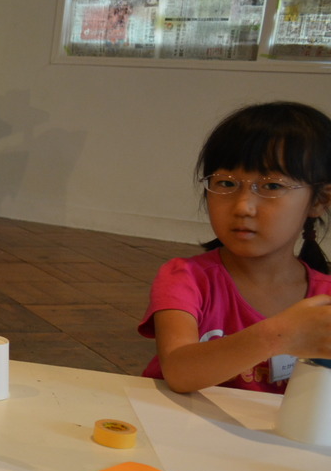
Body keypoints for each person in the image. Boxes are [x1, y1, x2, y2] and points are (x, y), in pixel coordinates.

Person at [139, 101, 331, 394]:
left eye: (272, 186)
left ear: (319, 201)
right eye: (226, 183)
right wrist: (279, 335)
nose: (243, 207)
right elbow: (178, 371)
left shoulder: (324, 302)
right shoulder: (186, 279)